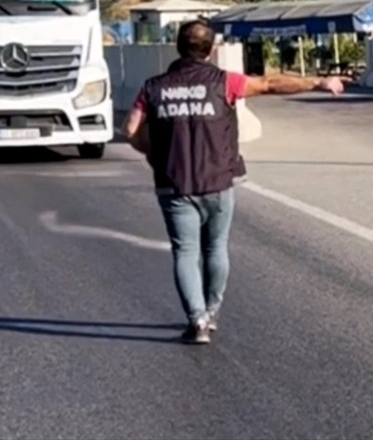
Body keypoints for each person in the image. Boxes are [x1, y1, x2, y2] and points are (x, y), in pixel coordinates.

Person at [121, 19, 346, 344]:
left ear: (178, 48)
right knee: (215, 248)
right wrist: (319, 82)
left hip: (174, 183)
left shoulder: (153, 87)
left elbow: (130, 129)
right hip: (218, 181)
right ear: (211, 50)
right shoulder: (224, 83)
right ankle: (211, 313)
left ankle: (196, 320)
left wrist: (152, 153)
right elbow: (269, 83)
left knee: (184, 253)